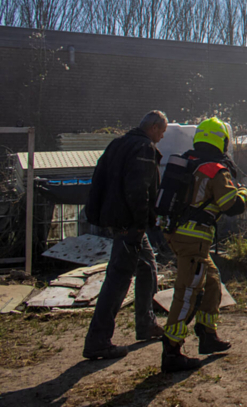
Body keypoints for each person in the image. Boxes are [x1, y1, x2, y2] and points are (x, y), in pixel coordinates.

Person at [161, 117, 247, 372]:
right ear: (221, 141)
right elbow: (232, 205)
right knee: (187, 292)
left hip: (177, 234)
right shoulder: (215, 169)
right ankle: (171, 350)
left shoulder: (187, 161)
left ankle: (207, 335)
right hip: (194, 239)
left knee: (211, 282)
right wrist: (242, 190)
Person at [82, 110, 168, 360]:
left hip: (119, 221)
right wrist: (142, 224)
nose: (162, 137)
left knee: (148, 268)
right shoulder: (143, 149)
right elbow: (138, 189)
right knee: (118, 281)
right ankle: (98, 340)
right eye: (161, 132)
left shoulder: (118, 144)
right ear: (152, 128)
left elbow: (99, 180)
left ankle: (145, 323)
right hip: (130, 224)